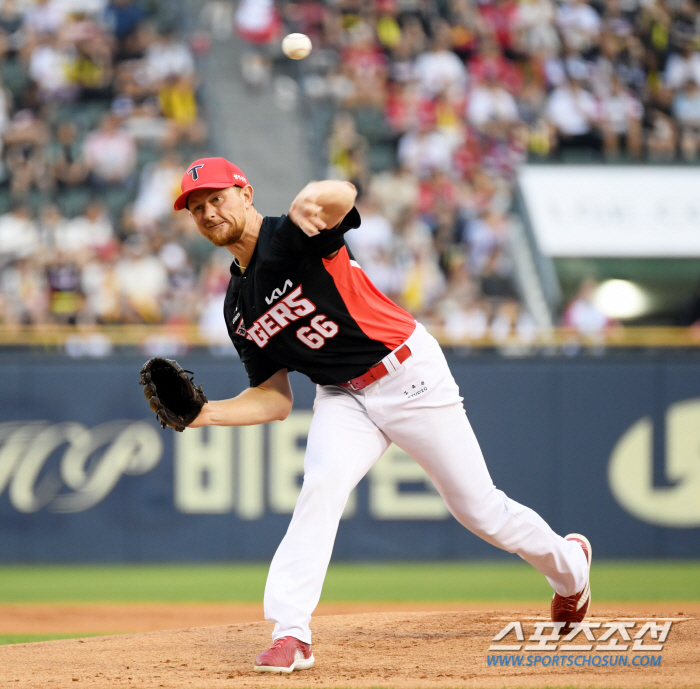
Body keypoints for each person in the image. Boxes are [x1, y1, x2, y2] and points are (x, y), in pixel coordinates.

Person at [173, 157, 592, 674]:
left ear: (246, 192)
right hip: (343, 396)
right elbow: (274, 398)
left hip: (407, 374)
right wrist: (207, 414)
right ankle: (291, 633)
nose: (208, 212)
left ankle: (570, 567)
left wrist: (315, 193)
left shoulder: (291, 234)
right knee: (321, 485)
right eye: (197, 208)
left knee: (480, 511)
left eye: (216, 198)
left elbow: (344, 195)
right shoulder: (237, 306)